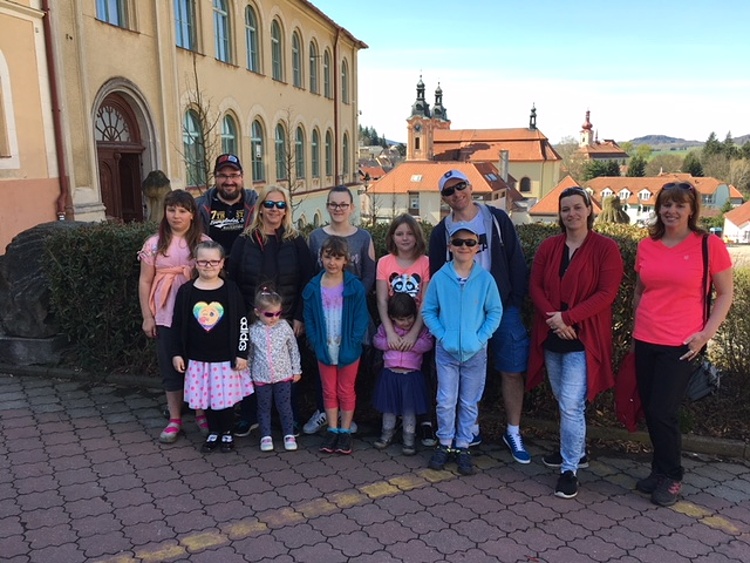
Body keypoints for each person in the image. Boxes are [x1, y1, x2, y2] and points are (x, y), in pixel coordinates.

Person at [632, 181, 732, 507]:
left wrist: (705, 335)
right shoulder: (647, 245)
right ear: (658, 208)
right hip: (645, 339)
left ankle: (673, 476)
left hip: (682, 344)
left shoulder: (708, 245)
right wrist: (634, 333)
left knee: (664, 411)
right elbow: (639, 292)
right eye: (666, 204)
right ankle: (659, 470)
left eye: (679, 205)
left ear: (691, 210)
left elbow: (725, 294)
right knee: (651, 409)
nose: (671, 211)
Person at [428, 169, 531, 464]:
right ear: (444, 198)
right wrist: (443, 326)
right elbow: (436, 278)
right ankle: (468, 431)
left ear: (470, 186)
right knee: (462, 374)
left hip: (500, 309)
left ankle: (513, 431)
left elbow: (515, 260)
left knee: (511, 370)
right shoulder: (441, 232)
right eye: (449, 191)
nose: (456, 193)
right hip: (460, 318)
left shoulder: (496, 219)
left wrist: (514, 301)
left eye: (460, 186)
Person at [528, 187, 624, 498]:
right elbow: (536, 287)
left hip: (584, 337)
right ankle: (577, 451)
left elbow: (606, 294)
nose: (572, 213)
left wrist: (568, 319)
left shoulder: (606, 249)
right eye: (565, 209)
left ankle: (569, 469)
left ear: (589, 209)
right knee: (564, 399)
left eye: (577, 207)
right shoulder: (549, 247)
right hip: (552, 334)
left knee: (571, 404)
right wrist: (554, 320)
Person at [228, 185, 314, 437]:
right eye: (269, 204)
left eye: (280, 205)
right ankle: (249, 415)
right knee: (250, 365)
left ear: (286, 210)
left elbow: (307, 280)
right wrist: (241, 317)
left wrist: (298, 315)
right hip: (251, 317)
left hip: (284, 319)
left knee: (286, 368)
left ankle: (289, 418)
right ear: (261, 207)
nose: (274, 209)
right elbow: (233, 280)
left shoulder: (295, 241)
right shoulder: (244, 240)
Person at [422, 224, 503, 476]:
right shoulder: (440, 277)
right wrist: (443, 335)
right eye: (458, 242)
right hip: (446, 351)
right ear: (450, 246)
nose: (464, 247)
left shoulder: (485, 279)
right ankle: (445, 442)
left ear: (477, 247)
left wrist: (480, 338)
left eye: (470, 242)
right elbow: (428, 310)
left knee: (469, 401)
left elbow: (494, 312)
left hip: (475, 352)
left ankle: (463, 445)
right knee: (446, 400)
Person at [137, 189, 210, 443]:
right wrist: (147, 316)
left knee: (198, 364)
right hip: (165, 312)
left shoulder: (203, 242)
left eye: (182, 211)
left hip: (198, 315)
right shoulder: (154, 244)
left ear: (192, 214)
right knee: (170, 365)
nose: (176, 216)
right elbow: (145, 281)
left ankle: (201, 413)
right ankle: (175, 418)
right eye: (171, 210)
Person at [303, 185, 376, 435]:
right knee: (324, 369)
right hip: (325, 314)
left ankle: (347, 418)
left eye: (343, 204)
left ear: (352, 207)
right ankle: (324, 412)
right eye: (333, 204)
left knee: (349, 372)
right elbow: (312, 274)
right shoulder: (315, 237)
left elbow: (370, 274)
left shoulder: (363, 237)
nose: (338, 208)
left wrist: (353, 300)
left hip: (352, 316)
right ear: (327, 206)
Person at [169, 241, 253, 453]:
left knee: (225, 399)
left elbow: (242, 323)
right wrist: (177, 353)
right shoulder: (186, 291)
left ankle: (227, 431)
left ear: (222, 263)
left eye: (214, 261)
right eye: (203, 261)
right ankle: (214, 430)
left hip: (225, 359)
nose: (208, 266)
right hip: (197, 358)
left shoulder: (230, 290)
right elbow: (177, 324)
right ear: (195, 263)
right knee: (206, 397)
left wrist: (242, 352)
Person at [303, 236, 369, 455]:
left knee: (346, 389)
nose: (332, 262)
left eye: (338, 257)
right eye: (328, 256)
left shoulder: (354, 286)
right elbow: (309, 318)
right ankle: (332, 429)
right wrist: (315, 341)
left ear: (345, 260)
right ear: (321, 257)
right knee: (328, 390)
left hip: (348, 347)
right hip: (325, 347)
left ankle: (345, 431)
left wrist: (354, 341)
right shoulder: (314, 287)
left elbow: (361, 317)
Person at [376, 214, 435, 447]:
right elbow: (382, 300)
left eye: (410, 233)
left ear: (417, 236)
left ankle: (423, 424)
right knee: (390, 380)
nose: (405, 238)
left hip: (418, 327)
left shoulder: (425, 262)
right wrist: (390, 332)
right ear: (392, 236)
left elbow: (426, 302)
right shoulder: (384, 262)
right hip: (393, 327)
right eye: (399, 233)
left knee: (420, 378)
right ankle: (390, 426)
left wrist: (414, 333)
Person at [372, 292, 432, 455]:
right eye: (401, 319)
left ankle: (409, 439)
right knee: (388, 408)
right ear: (392, 317)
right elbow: (376, 340)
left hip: (411, 376)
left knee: (409, 410)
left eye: (409, 318)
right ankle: (386, 435)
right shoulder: (386, 329)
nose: (406, 323)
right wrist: (389, 343)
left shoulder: (419, 330)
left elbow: (428, 343)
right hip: (390, 374)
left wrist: (412, 344)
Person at [248, 288, 302, 452]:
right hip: (261, 377)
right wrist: (248, 375)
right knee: (263, 408)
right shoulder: (253, 330)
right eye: (269, 314)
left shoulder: (284, 327)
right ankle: (266, 436)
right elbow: (250, 354)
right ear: (257, 312)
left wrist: (296, 370)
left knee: (284, 406)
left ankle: (289, 434)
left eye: (278, 313)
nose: (274, 318)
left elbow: (293, 349)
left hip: (283, 375)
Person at [196, 154, 258, 254]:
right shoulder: (199, 207)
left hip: (247, 262)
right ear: (215, 177)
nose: (229, 181)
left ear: (241, 176)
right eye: (223, 176)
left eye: (234, 175)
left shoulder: (256, 205)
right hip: (211, 263)